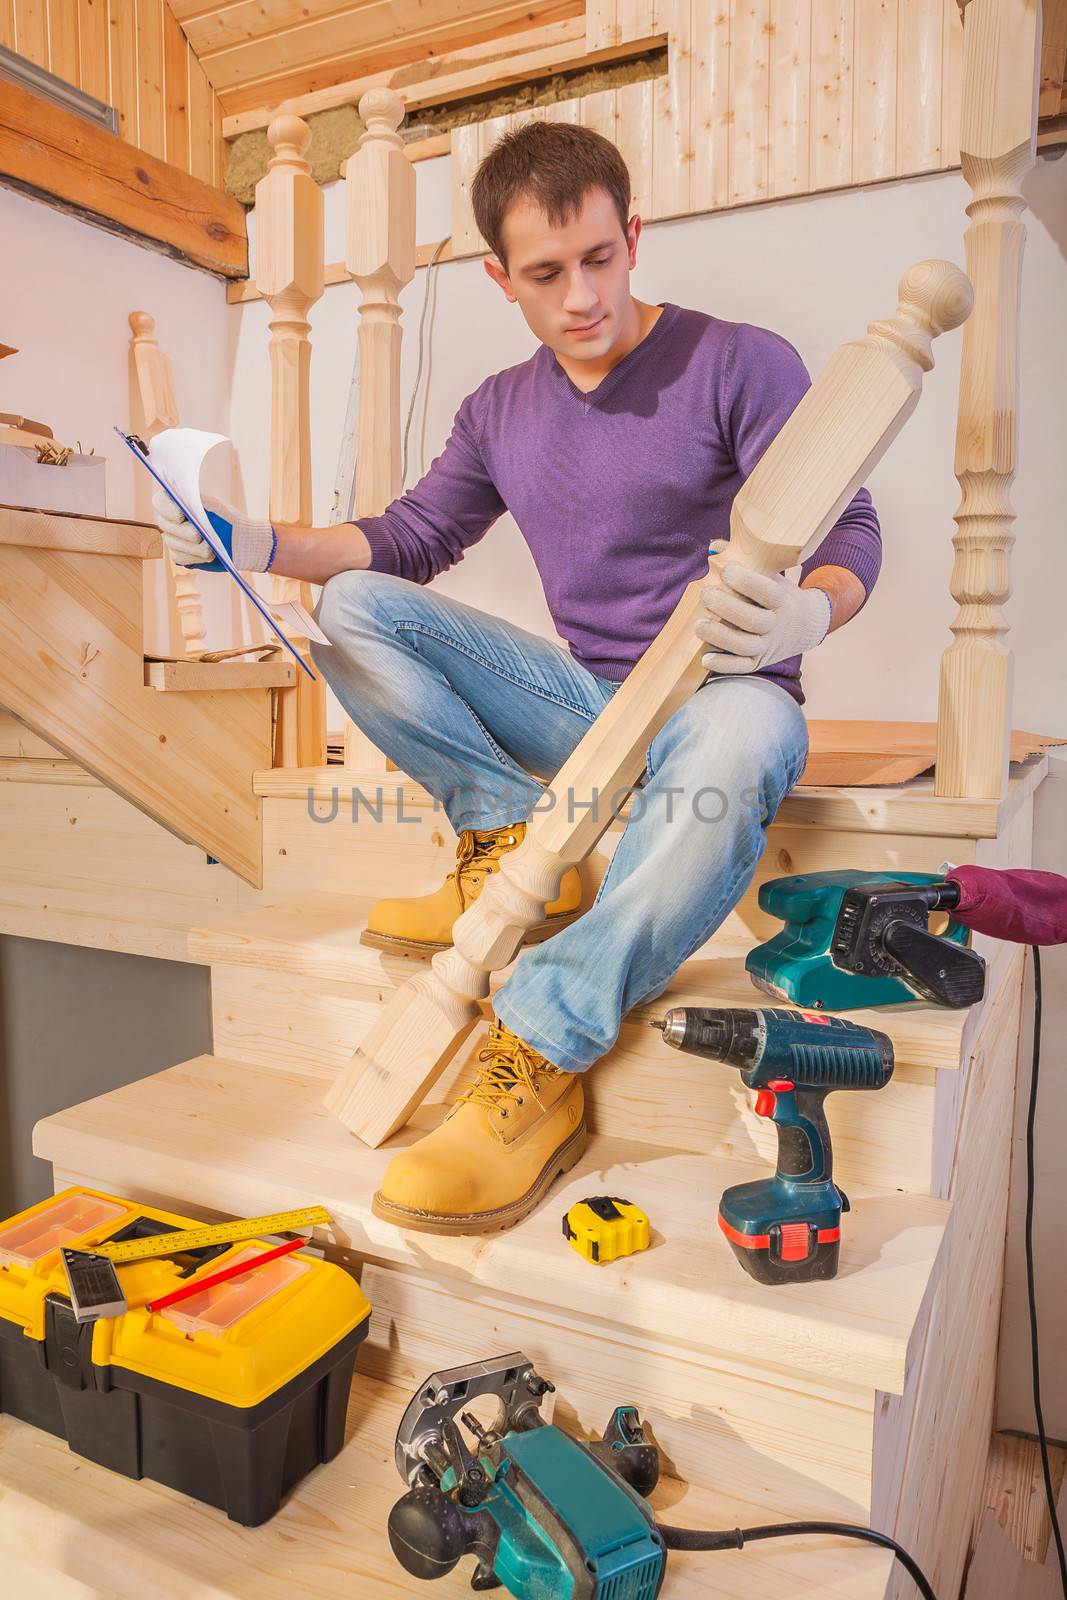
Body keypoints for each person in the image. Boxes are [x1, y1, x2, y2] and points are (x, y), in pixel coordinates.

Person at [154, 121, 881, 1239]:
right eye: (546, 273)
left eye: (599, 257)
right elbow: (404, 537)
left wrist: (810, 608)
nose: (581, 294)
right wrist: (252, 542)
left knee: (742, 735)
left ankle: (538, 1045)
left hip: (718, 701)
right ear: (501, 277)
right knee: (349, 603)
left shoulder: (740, 362)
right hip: (584, 710)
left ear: (631, 235)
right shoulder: (499, 411)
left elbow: (851, 523)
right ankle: (507, 838)